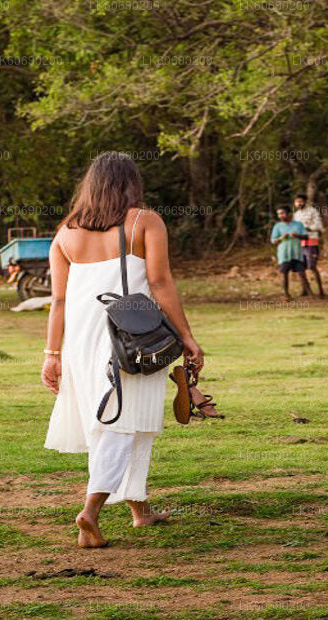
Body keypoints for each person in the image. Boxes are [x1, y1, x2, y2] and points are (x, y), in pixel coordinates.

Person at [42, 151, 203, 549]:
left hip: (82, 336)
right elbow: (160, 282)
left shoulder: (65, 232)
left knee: (121, 417)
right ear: (131, 183)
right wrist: (187, 336)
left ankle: (139, 509)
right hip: (133, 336)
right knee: (123, 422)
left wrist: (51, 353)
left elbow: (58, 300)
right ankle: (90, 512)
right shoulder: (143, 221)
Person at [271, 207, 310, 300]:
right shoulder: (277, 226)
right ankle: (286, 294)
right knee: (284, 273)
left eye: (282, 213)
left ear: (288, 213)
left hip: (297, 252)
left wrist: (297, 235)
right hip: (284, 254)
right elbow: (273, 241)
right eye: (279, 214)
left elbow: (306, 237)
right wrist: (281, 238)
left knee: (302, 273)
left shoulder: (298, 225)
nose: (280, 215)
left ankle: (307, 291)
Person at [292, 194, 325, 296]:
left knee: (312, 266)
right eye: (297, 201)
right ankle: (305, 289)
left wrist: (307, 228)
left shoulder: (313, 211)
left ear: (305, 202)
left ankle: (321, 290)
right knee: (299, 267)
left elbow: (319, 226)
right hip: (300, 243)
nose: (299, 203)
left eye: (301, 201)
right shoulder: (296, 214)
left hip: (311, 241)